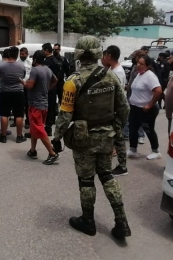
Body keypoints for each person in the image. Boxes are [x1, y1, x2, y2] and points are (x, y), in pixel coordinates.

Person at [53, 35, 131, 239]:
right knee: (107, 176)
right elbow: (124, 109)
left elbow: (65, 114)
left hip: (83, 139)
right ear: (98, 53)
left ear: (78, 54)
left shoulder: (72, 81)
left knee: (87, 180)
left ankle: (88, 222)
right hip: (107, 137)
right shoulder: (111, 76)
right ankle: (122, 222)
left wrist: (57, 136)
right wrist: (114, 129)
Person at [24, 50, 59, 164]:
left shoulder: (35, 70)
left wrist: (23, 82)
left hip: (36, 105)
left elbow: (30, 85)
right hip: (44, 104)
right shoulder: (47, 69)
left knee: (39, 128)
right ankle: (33, 151)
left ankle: (52, 153)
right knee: (35, 128)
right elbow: (55, 80)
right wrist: (46, 89)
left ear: (35, 60)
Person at [127, 55, 163, 160]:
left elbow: (158, 91)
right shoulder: (139, 74)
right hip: (135, 108)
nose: (138, 65)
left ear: (147, 66)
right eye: (138, 62)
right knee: (132, 129)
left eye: (141, 64)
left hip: (145, 110)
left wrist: (150, 104)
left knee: (148, 130)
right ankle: (133, 150)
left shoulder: (150, 76)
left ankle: (156, 151)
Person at [101, 46, 129, 177]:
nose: (103, 58)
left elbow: (112, 94)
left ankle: (122, 166)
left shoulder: (116, 72)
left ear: (109, 56)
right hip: (116, 109)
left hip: (117, 110)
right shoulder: (115, 70)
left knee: (118, 139)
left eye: (104, 55)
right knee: (115, 138)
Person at [0, 46, 26, 144]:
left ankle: (3, 136)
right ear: (17, 54)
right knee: (19, 115)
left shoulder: (2, 66)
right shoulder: (21, 66)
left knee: (4, 114)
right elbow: (23, 76)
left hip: (5, 91)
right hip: (18, 92)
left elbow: (1, 76)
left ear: (8, 54)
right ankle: (19, 136)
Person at [42, 43, 64, 140]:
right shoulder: (56, 60)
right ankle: (50, 126)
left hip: (50, 86)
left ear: (46, 50)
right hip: (55, 85)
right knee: (52, 106)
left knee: (49, 107)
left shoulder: (48, 61)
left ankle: (48, 127)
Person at [17, 47, 33, 129]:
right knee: (19, 104)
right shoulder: (17, 62)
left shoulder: (30, 62)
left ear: (27, 54)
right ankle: (17, 120)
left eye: (23, 54)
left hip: (27, 85)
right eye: (20, 54)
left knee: (27, 104)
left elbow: (32, 74)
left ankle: (27, 121)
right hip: (19, 85)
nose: (21, 55)